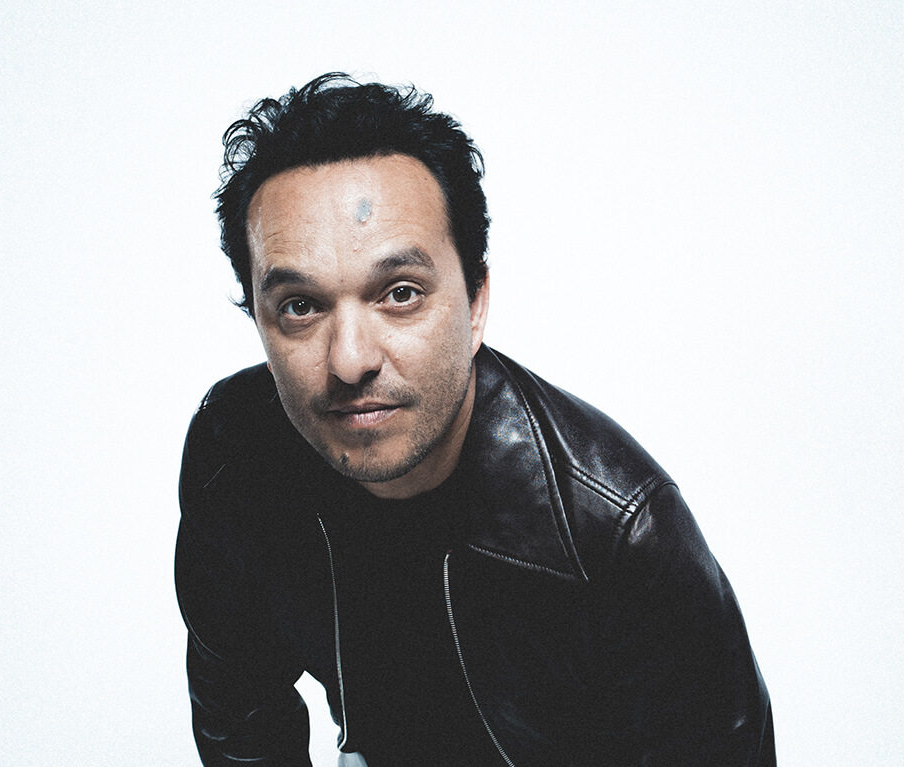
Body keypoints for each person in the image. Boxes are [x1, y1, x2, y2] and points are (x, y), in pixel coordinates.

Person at [175, 72, 774, 767]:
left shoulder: (616, 532)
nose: (350, 360)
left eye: (400, 293)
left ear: (476, 302)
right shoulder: (235, 458)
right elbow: (241, 730)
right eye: (300, 307)